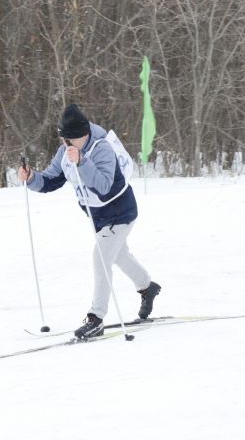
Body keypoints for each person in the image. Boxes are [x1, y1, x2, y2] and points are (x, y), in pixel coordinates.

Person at [18, 104, 161, 339]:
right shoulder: (66, 151)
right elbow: (51, 180)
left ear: (83, 134)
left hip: (120, 212)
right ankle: (147, 287)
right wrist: (31, 176)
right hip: (99, 218)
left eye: (71, 140)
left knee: (101, 258)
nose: (67, 145)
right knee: (118, 255)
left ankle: (95, 318)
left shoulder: (102, 149)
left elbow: (104, 187)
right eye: (64, 140)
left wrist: (83, 161)